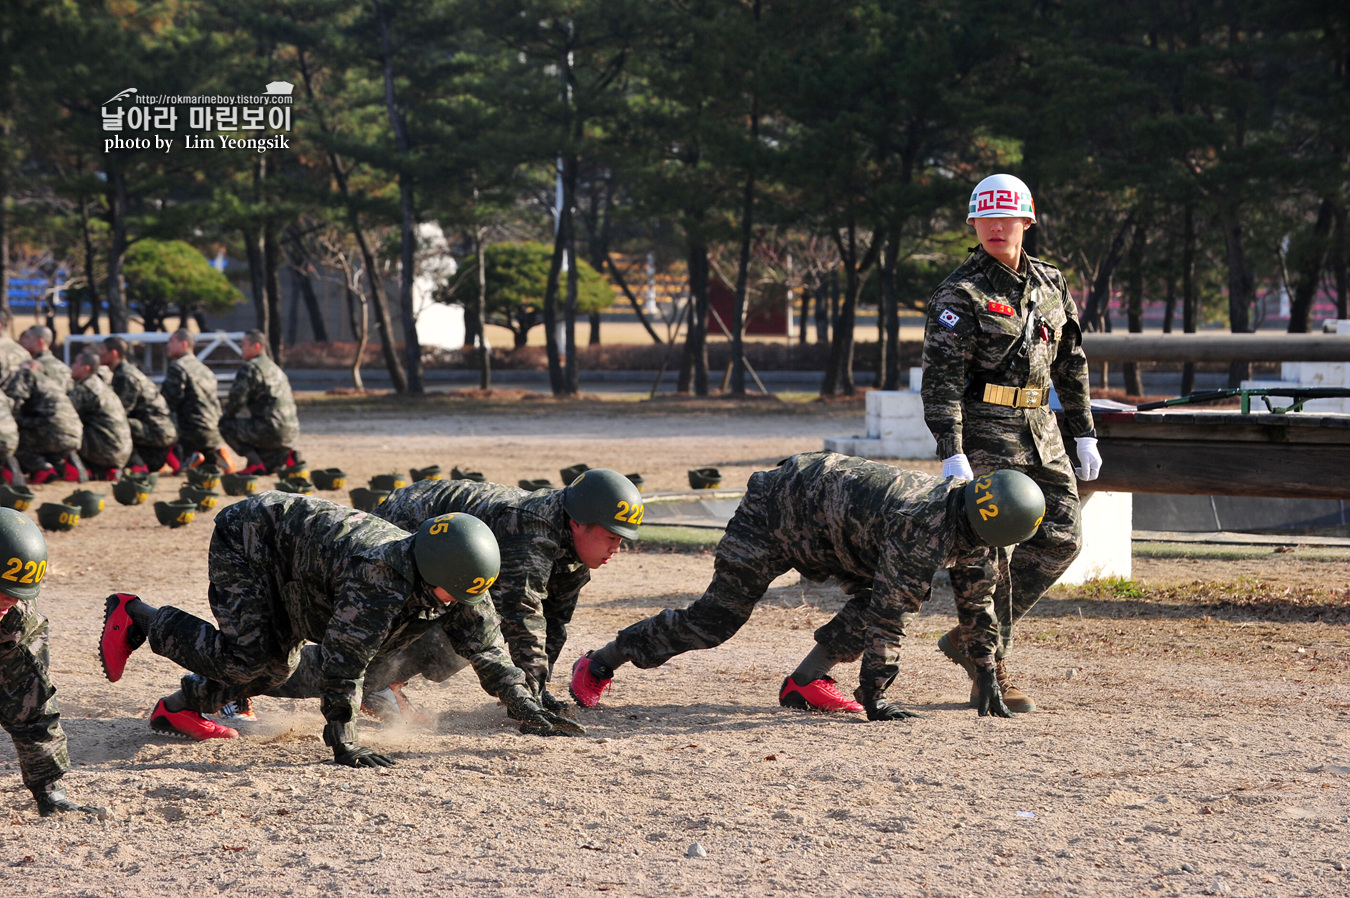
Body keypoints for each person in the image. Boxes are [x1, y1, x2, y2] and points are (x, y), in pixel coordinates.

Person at [98, 494, 582, 766]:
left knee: (277, 668)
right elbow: (344, 663)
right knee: (255, 660)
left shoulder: (457, 579)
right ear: (428, 575)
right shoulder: (379, 579)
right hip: (251, 541)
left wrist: (525, 708)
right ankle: (136, 615)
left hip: (304, 571)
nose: (459, 607)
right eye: (452, 596)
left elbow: (488, 647)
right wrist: (342, 739)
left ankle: (180, 708)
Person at [569, 452, 1046, 721]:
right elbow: (889, 617)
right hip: (774, 514)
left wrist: (986, 669)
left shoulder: (979, 525)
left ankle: (805, 682)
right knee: (714, 622)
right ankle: (600, 661)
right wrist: (875, 695)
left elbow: (979, 603)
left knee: (877, 597)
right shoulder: (924, 527)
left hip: (836, 535)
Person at [920, 173, 1102, 713]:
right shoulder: (960, 293)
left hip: (1041, 431)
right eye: (986, 219)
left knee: (1063, 537)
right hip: (984, 432)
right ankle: (989, 668)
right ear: (974, 223)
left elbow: (1071, 362)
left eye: (1008, 217)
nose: (997, 227)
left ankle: (970, 637)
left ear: (1028, 220)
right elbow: (941, 383)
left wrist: (1084, 431)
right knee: (988, 554)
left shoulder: (1051, 282)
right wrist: (952, 450)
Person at [256, 469, 642, 722]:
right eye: (611, 537)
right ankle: (248, 676)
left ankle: (380, 686)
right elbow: (521, 615)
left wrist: (534, 691)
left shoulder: (575, 550)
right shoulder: (533, 531)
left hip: (449, 538)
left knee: (457, 640)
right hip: (410, 524)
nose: (616, 549)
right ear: (578, 523)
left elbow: (553, 622)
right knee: (383, 634)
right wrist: (527, 703)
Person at [0, 508, 103, 816]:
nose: (8, 604)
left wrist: (49, 791)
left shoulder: (16, 616)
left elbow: (31, 703)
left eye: (13, 597)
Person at [219, 330, 300, 475]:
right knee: (268, 466)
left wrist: (226, 416)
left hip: (269, 429)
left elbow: (235, 401)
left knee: (226, 425)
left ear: (256, 346)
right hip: (290, 433)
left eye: (244, 345)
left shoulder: (250, 367)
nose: (241, 349)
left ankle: (255, 463)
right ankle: (287, 457)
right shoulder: (275, 368)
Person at [99, 336, 179, 474]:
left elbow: (120, 413)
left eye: (103, 350)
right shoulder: (122, 371)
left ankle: (137, 465)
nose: (99, 354)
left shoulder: (125, 375)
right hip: (154, 425)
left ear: (114, 353)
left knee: (112, 425)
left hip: (157, 429)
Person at [2, 361, 84, 483]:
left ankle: (42, 469)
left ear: (33, 367)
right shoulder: (51, 383)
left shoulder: (27, 374)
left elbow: (14, 401)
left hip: (52, 432)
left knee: (13, 440)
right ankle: (65, 467)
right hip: (73, 435)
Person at [161, 329, 228, 470]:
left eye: (171, 342)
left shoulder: (178, 367)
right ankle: (215, 454)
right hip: (213, 430)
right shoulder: (205, 369)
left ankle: (186, 458)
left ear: (183, 344)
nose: (168, 346)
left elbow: (168, 401)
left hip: (190, 430)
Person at [68, 351, 133, 479]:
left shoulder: (85, 388)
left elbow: (63, 415)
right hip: (121, 450)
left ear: (85, 368)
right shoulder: (100, 385)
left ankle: (72, 470)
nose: (72, 366)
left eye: (75, 363)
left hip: (107, 449)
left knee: (61, 432)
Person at [19, 325, 73, 392]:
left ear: (40, 341)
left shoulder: (34, 367)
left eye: (27, 338)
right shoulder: (64, 368)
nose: (23, 341)